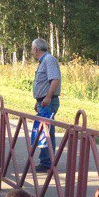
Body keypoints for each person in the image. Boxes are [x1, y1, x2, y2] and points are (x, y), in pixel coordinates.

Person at [29, 38, 61, 173]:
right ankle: (47, 161)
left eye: (32, 49)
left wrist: (47, 97)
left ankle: (47, 162)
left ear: (36, 49)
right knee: (44, 131)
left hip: (49, 101)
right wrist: (39, 100)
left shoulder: (49, 60)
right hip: (43, 102)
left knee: (46, 132)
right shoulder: (44, 61)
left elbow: (55, 79)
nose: (31, 52)